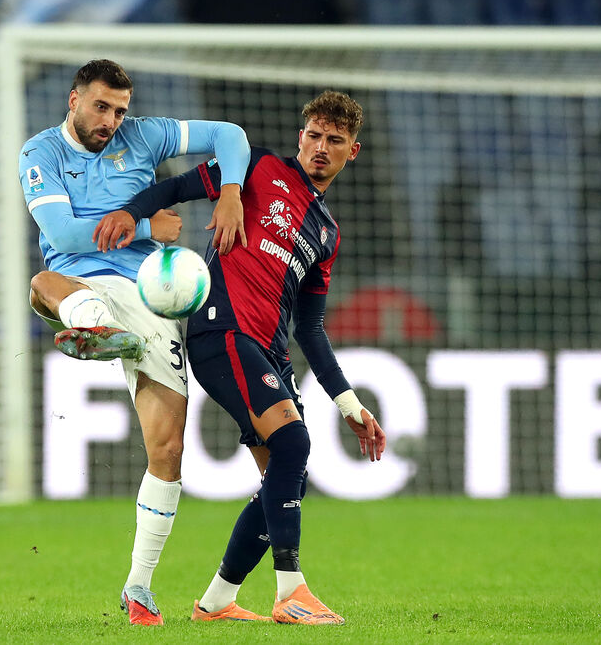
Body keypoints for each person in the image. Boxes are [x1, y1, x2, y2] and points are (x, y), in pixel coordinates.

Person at [93, 90, 386, 625]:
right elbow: (178, 187)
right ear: (302, 136)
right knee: (294, 441)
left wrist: (350, 404)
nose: (321, 148)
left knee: (285, 477)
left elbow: (312, 328)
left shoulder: (326, 234)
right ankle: (291, 590)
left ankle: (217, 601)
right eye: (314, 136)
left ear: (353, 151)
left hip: (269, 349)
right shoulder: (257, 168)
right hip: (222, 330)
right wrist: (131, 214)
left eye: (334, 141)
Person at [19, 59, 250, 626]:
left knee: (167, 449)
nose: (112, 120)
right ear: (73, 100)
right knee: (42, 283)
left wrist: (231, 190)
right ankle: (94, 326)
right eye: (101, 107)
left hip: (151, 293)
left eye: (119, 109)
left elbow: (232, 136)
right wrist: (150, 226)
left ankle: (139, 588)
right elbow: (65, 234)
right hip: (79, 278)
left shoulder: (145, 134)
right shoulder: (40, 153)